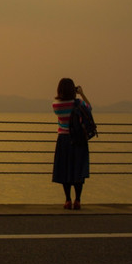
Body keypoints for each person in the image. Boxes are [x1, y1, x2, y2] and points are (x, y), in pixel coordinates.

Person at [52, 78, 91, 210]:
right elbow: (89, 108)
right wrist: (82, 94)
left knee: (65, 170)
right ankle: (78, 200)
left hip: (63, 140)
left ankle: (67, 200)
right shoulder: (78, 103)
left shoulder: (56, 105)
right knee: (78, 170)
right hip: (78, 140)